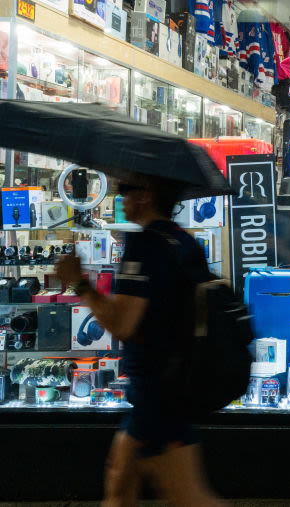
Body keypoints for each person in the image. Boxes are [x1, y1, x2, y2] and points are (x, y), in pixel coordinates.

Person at [57, 175, 223, 507]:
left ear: (146, 196)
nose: (120, 198)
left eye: (126, 191)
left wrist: (80, 284)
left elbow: (123, 324)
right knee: (119, 486)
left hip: (158, 393)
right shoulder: (183, 242)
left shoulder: (144, 246)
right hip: (167, 384)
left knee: (189, 498)